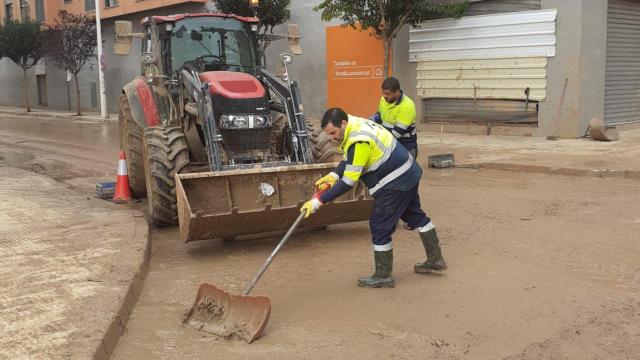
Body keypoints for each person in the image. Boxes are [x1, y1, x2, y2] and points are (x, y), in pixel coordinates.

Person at [300, 108, 447, 288]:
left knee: (379, 225)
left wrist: (317, 202)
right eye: (328, 134)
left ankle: (383, 275)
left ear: (343, 124)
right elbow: (350, 159)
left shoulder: (358, 140)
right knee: (415, 216)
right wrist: (333, 176)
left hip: (395, 181)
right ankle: (435, 259)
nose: (332, 137)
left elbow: (349, 181)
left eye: (333, 132)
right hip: (409, 172)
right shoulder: (355, 124)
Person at [370, 77, 418, 159]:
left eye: (387, 94)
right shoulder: (384, 100)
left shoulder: (407, 107)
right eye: (383, 93)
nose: (384, 96)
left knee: (406, 170)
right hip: (390, 145)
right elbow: (380, 115)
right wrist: (371, 122)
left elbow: (396, 134)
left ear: (397, 92)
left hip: (405, 147)